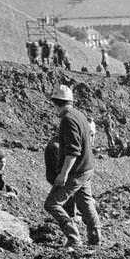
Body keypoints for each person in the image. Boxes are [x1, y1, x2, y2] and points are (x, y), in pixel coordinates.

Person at [44, 85, 102, 248]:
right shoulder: (79, 114)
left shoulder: (67, 120)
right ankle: (95, 239)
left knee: (52, 204)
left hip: (76, 171)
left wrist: (63, 174)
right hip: (86, 168)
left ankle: (74, 239)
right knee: (85, 202)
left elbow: (73, 152)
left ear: (56, 102)